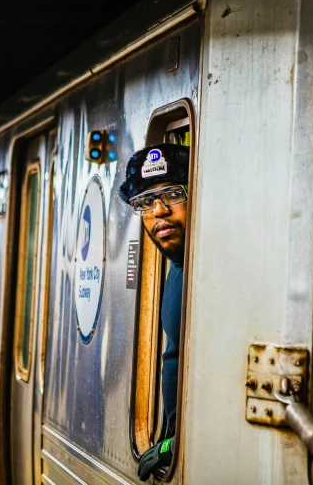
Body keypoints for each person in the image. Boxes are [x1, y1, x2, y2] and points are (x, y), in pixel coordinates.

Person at [118, 143, 189, 482]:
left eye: (173, 194)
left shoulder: (210, 271)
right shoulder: (177, 267)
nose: (159, 211)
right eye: (145, 202)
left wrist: (182, 441)